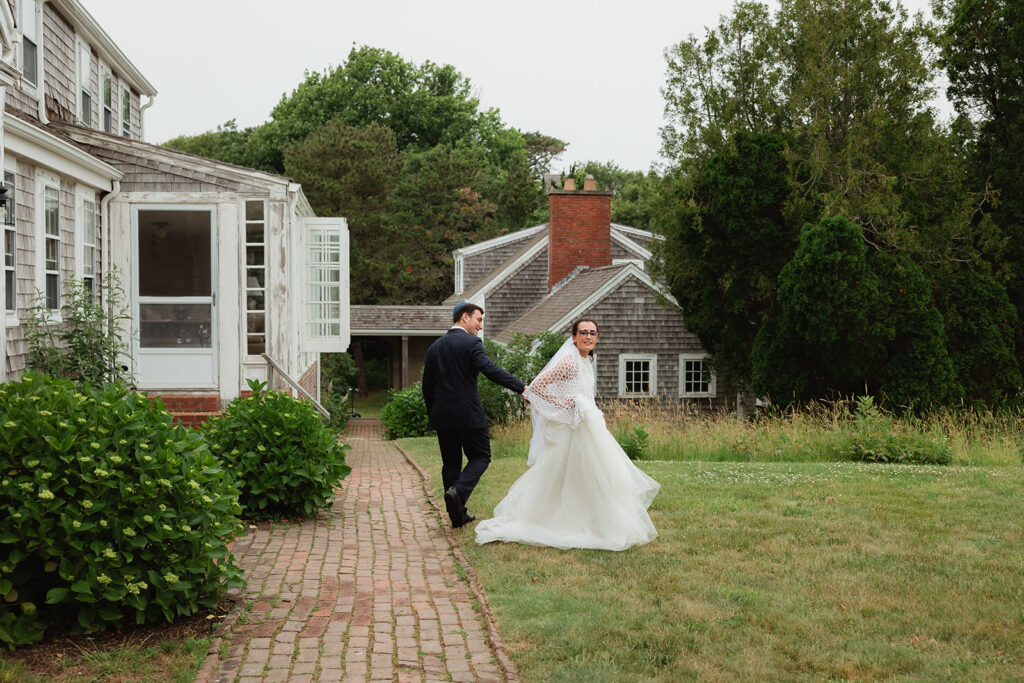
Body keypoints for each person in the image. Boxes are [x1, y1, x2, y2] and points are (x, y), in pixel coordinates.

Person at [475, 319, 660, 551]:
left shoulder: (585, 360)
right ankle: (554, 519)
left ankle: (594, 519)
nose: (588, 337)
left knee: (590, 473)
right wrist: (563, 404)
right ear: (574, 337)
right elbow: (536, 387)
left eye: (593, 333)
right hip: (572, 429)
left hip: (587, 426)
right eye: (583, 332)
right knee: (569, 472)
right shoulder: (569, 362)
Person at [422, 301, 526, 528]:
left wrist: (434, 417)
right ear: (465, 317)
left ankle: (457, 516)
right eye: (479, 320)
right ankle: (458, 491)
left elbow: (427, 388)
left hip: (442, 416)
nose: (480, 326)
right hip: (468, 414)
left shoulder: (434, 347)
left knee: (451, 464)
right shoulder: (471, 343)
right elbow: (490, 370)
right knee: (481, 456)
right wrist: (522, 387)